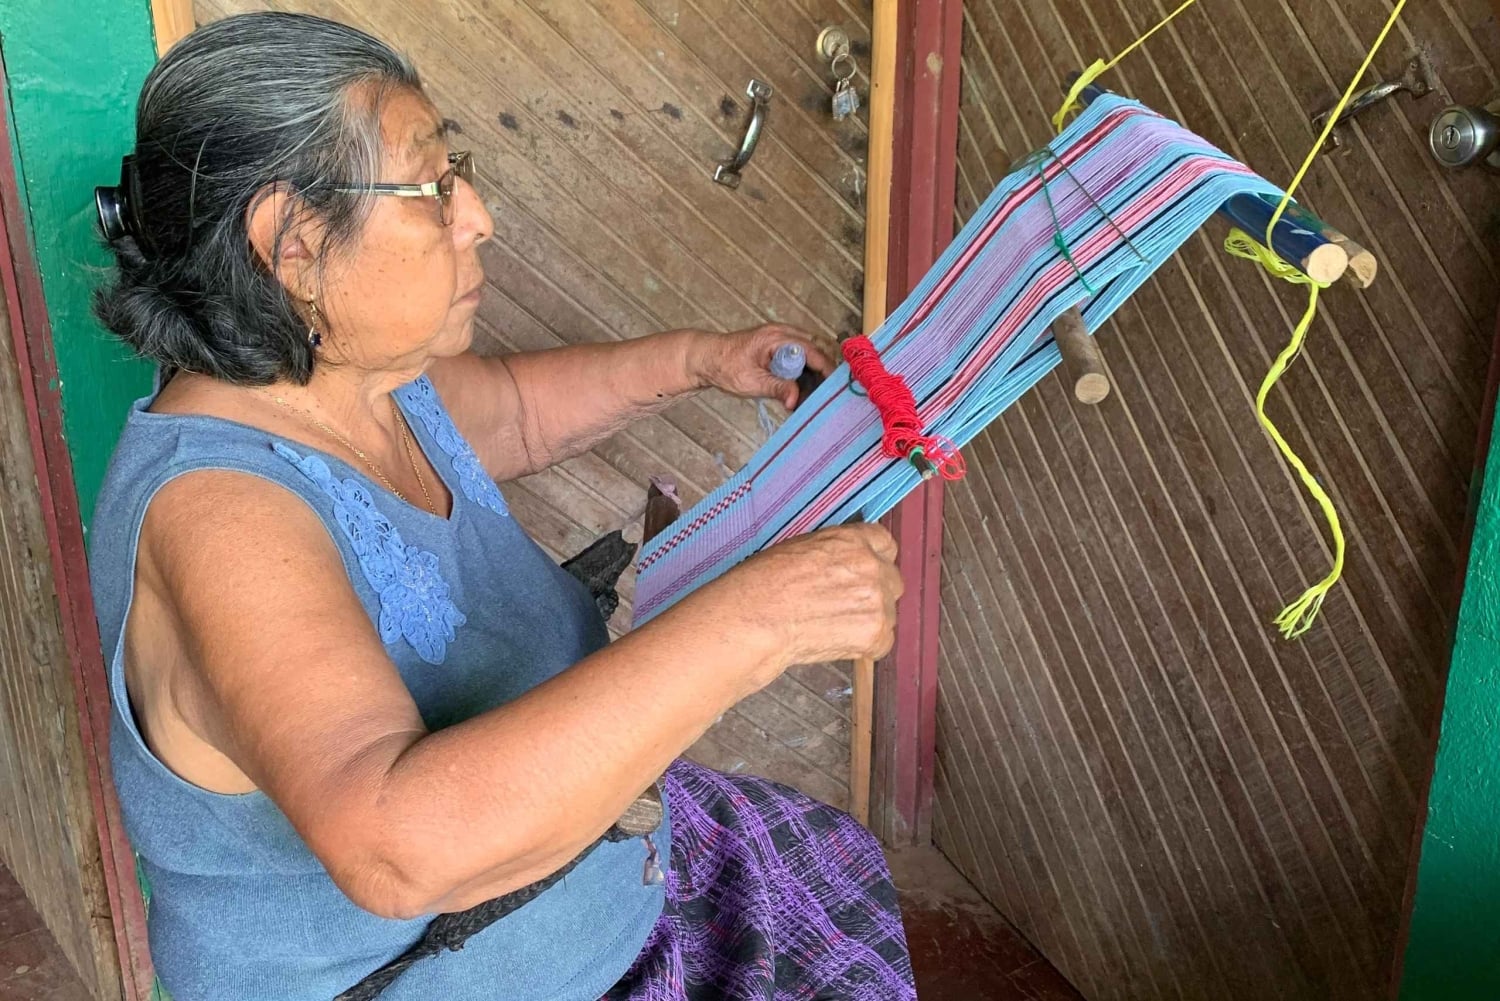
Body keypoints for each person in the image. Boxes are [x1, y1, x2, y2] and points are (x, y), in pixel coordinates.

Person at [87, 11, 913, 1001]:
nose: (475, 215)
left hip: (604, 886)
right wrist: (759, 620)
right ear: (290, 242)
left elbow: (516, 414)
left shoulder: (365, 381)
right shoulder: (221, 513)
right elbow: (397, 850)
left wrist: (699, 361)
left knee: (822, 859)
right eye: (432, 186)